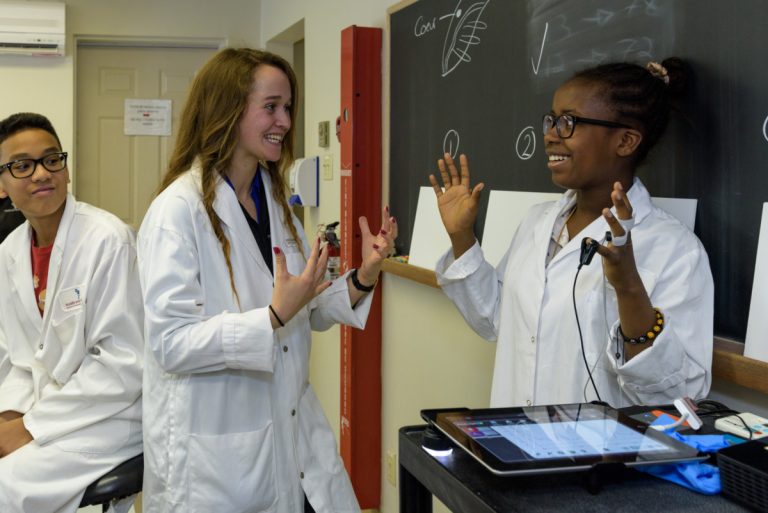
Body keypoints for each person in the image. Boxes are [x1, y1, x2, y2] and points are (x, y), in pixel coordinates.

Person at [137, 48, 396, 513]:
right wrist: (272, 317)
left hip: (293, 430)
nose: (285, 121)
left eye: (288, 107)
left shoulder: (275, 203)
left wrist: (364, 275)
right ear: (228, 110)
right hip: (219, 456)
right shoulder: (177, 211)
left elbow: (305, 309)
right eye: (271, 106)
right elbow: (170, 343)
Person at [429, 58, 713, 408]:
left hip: (600, 444)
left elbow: (677, 397)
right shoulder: (537, 221)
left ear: (625, 141)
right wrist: (462, 238)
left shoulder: (674, 249)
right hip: (513, 433)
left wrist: (628, 286)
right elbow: (495, 319)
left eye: (569, 122)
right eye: (551, 120)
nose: (550, 135)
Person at [0, 112, 144, 513]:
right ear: (2, 184)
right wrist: (9, 417)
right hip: (45, 409)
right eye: (22, 166)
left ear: (65, 169)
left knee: (5, 488)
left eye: (51, 160)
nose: (41, 174)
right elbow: (18, 358)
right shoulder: (8, 254)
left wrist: (29, 427)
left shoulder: (108, 240)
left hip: (109, 417)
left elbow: (123, 365)